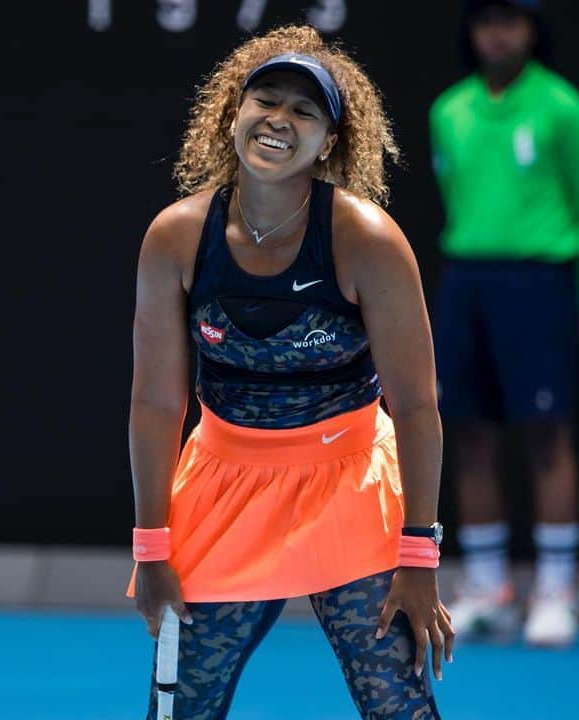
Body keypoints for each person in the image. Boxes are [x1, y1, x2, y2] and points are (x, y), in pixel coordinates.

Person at [126, 25, 452, 720]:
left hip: (352, 487)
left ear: (329, 141)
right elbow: (157, 403)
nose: (279, 120)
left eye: (304, 112)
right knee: (178, 710)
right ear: (233, 115)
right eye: (265, 100)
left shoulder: (367, 240)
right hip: (223, 490)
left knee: (397, 703)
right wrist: (150, 546)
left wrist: (419, 553)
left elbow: (418, 405)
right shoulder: (177, 236)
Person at [428, 0, 579, 647]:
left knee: (546, 435)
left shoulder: (564, 109)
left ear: (533, 29)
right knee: (470, 435)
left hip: (542, 282)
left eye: (510, 20)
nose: (497, 33)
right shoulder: (448, 111)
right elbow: (458, 197)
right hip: (468, 278)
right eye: (485, 21)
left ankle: (555, 593)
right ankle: (489, 589)